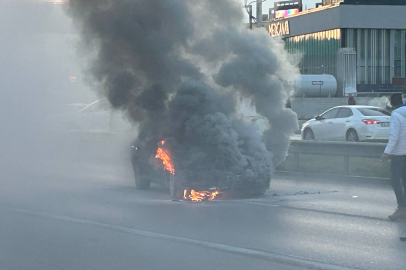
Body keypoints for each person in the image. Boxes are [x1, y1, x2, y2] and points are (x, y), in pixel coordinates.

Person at [382, 93, 406, 220]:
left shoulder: (396, 115)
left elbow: (394, 136)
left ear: (391, 102)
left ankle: (402, 207)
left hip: (398, 154)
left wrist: (387, 152)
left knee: (395, 181)